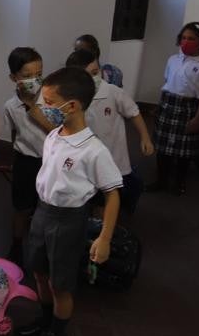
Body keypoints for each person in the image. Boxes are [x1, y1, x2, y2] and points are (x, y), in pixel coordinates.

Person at [14, 67, 121, 336]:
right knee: (38, 271)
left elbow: (112, 194)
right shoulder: (54, 135)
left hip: (68, 220)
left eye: (49, 102)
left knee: (59, 284)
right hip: (42, 212)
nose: (45, 106)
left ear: (72, 106)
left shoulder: (94, 150)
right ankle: (46, 321)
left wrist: (105, 238)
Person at [64, 49, 152, 214]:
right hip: (86, 157)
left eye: (95, 72)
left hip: (113, 156)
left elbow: (134, 113)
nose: (93, 79)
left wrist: (145, 137)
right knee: (87, 191)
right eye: (85, 76)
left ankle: (103, 222)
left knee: (108, 194)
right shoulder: (74, 97)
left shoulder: (113, 92)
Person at [150, 22, 199, 196]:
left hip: (188, 108)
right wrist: (159, 106)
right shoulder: (173, 60)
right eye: (184, 38)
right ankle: (161, 180)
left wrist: (198, 118)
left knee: (183, 151)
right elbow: (167, 83)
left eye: (192, 38)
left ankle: (179, 182)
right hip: (168, 104)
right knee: (163, 147)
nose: (186, 41)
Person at [2, 47, 55, 262]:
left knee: (48, 208)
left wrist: (34, 109)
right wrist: (14, 160)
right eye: (27, 76)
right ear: (14, 78)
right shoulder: (11, 106)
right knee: (21, 207)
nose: (34, 80)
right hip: (25, 162)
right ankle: (16, 247)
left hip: (51, 161)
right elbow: (15, 134)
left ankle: (45, 252)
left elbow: (57, 131)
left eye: (38, 74)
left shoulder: (50, 99)